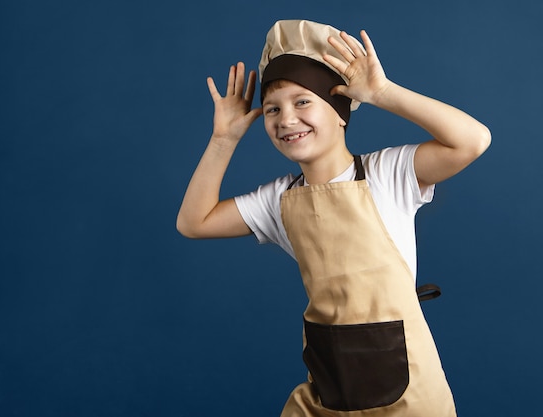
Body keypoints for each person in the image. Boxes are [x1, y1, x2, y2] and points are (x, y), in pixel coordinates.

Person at [177, 19, 490, 417]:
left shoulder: (387, 173)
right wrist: (223, 140)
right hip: (329, 388)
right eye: (273, 108)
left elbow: (473, 140)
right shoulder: (278, 199)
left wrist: (383, 92)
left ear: (341, 111)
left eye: (302, 101)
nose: (286, 119)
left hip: (410, 389)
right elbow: (194, 221)